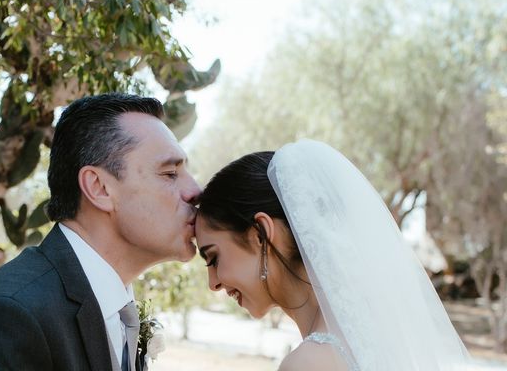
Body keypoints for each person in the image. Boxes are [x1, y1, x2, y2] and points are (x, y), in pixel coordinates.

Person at [0, 93, 200, 371]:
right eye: (170, 173)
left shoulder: (115, 309)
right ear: (99, 188)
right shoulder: (8, 317)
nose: (196, 191)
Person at [196, 139, 472, 371]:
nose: (213, 283)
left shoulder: (310, 363)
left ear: (261, 234)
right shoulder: (376, 336)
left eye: (213, 258)